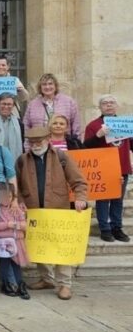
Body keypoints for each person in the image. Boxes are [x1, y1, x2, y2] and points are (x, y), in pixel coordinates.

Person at [15, 126, 88, 300]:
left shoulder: (62, 157)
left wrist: (80, 198)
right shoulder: (22, 160)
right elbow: (16, 186)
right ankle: (46, 279)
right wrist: (18, 202)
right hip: (34, 212)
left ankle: (65, 284)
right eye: (31, 142)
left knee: (61, 248)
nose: (35, 145)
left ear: (48, 139)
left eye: (39, 141)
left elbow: (79, 182)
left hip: (58, 211)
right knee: (39, 247)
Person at [84, 94, 131, 243]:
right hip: (103, 168)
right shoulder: (93, 125)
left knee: (118, 199)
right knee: (103, 200)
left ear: (116, 106)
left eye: (112, 103)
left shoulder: (125, 124)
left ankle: (117, 227)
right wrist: (98, 135)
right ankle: (105, 229)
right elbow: (86, 147)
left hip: (121, 167)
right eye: (105, 103)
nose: (109, 105)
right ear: (100, 107)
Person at [0, 182, 30, 299]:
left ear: (13, 197)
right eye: (3, 196)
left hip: (17, 241)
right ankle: (6, 283)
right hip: (3, 242)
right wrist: (7, 224)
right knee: (4, 263)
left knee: (16, 264)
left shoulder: (16, 209)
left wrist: (16, 225)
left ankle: (20, 283)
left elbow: (24, 224)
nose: (6, 199)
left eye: (9, 196)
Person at [23, 73, 82, 139]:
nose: (47, 87)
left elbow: (76, 126)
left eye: (50, 84)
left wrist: (76, 145)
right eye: (44, 84)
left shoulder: (69, 102)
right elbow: (26, 126)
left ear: (55, 86)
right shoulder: (32, 104)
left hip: (64, 144)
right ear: (40, 87)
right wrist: (27, 146)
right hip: (39, 145)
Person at [0, 93, 24, 161]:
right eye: (4, 104)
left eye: (9, 104)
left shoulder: (19, 123)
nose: (6, 106)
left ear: (13, 106)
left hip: (12, 160)